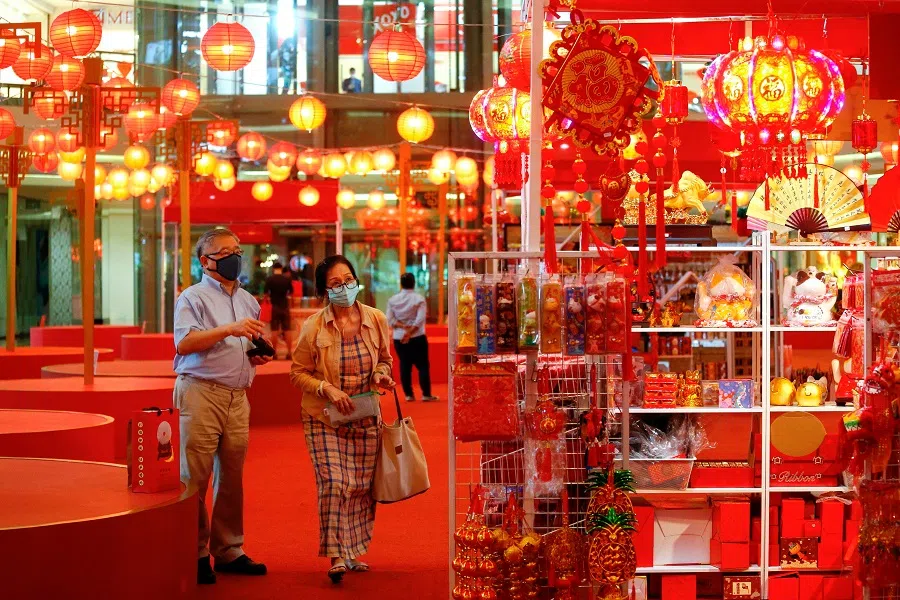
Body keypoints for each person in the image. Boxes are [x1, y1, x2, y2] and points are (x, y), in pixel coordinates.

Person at [173, 228, 272, 585]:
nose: (235, 257)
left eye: (238, 250)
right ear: (206, 261)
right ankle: (194, 551)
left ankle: (229, 549)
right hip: (200, 392)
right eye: (226, 251)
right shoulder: (192, 297)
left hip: (237, 396)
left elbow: (245, 341)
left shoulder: (248, 299)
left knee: (232, 477)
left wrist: (255, 355)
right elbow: (184, 343)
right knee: (194, 476)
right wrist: (229, 329)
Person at [290, 255, 395, 584]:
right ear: (324, 291)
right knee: (335, 483)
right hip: (324, 418)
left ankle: (352, 551)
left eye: (348, 279)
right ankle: (336, 555)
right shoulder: (314, 327)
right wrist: (326, 388)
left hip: (365, 417)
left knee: (361, 488)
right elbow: (298, 373)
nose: (344, 287)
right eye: (335, 284)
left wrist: (382, 376)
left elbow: (385, 360)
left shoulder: (375, 319)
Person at [386, 272, 437, 402]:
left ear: (401, 284)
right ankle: (426, 394)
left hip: (399, 338)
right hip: (417, 337)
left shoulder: (393, 300)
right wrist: (410, 331)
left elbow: (390, 319)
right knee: (423, 366)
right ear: (414, 283)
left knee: (405, 365)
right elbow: (420, 319)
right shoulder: (419, 299)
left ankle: (409, 395)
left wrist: (404, 329)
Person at [264, 261, 294, 357]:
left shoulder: (270, 279)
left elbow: (265, 294)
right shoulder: (287, 279)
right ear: (281, 269)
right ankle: (289, 353)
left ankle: (274, 353)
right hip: (285, 307)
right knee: (287, 330)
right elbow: (291, 292)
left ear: (273, 269)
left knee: (274, 330)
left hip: (274, 307)